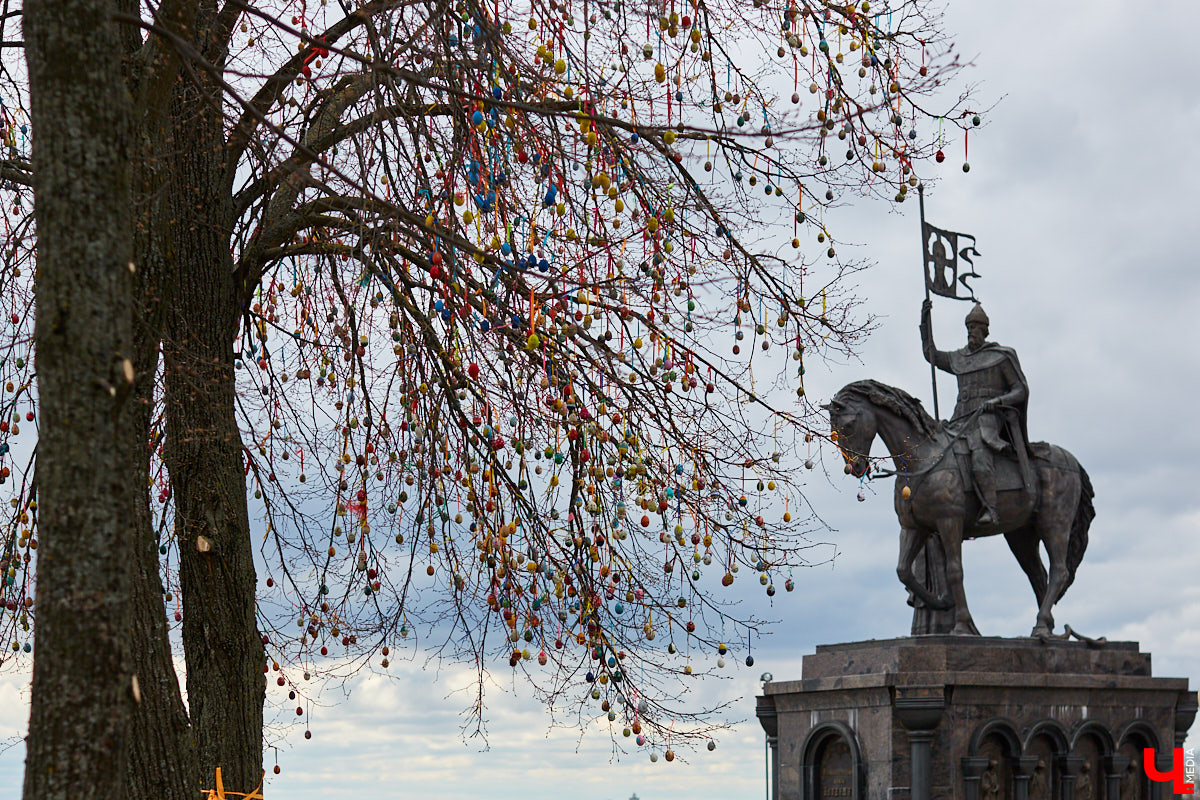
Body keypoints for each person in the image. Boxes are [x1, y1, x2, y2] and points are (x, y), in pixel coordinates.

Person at [921, 299, 1030, 525]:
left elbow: (1020, 390)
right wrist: (925, 322)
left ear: (985, 331)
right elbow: (931, 354)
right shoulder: (959, 358)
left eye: (976, 329)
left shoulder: (1001, 356)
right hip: (959, 420)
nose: (971, 332)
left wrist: (998, 401)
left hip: (988, 420)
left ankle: (990, 508)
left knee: (980, 455)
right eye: (969, 328)